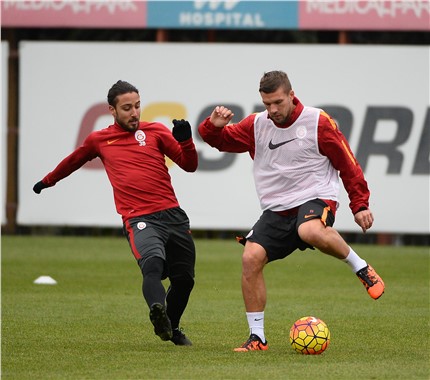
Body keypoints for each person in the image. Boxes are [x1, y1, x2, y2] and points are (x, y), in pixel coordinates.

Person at [198, 70, 385, 352]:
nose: (272, 110)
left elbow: (347, 162)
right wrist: (213, 127)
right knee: (250, 258)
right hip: (276, 208)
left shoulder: (317, 122)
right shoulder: (257, 125)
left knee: (309, 229)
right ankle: (257, 338)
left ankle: (360, 267)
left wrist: (359, 204)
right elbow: (220, 141)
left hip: (315, 196)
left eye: (278, 102)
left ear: (291, 95)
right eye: (267, 104)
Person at [33, 80, 198, 346]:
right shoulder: (99, 140)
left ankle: (172, 325)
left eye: (137, 106)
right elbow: (73, 161)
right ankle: (158, 313)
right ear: (112, 110)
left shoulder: (155, 130)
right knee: (152, 264)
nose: (134, 113)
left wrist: (186, 141)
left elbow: (189, 165)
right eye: (127, 108)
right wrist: (47, 181)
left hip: (173, 215)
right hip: (139, 218)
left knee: (185, 280)